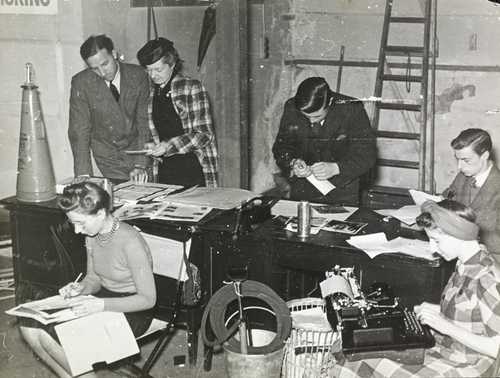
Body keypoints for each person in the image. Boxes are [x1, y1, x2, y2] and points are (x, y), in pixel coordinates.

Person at [330, 199, 500, 377]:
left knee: (357, 365)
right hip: (448, 348)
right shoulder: (465, 263)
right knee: (354, 355)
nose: (433, 249)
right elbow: (471, 313)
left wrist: (445, 325)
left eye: (436, 240)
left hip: (468, 364)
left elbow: (496, 347)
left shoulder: (487, 278)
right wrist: (436, 310)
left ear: (457, 235)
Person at [19, 182, 156, 378]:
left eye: (81, 223)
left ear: (100, 213)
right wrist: (81, 287)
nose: (77, 231)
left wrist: (100, 305)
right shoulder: (93, 234)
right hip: (102, 298)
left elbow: (148, 299)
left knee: (58, 335)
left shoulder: (131, 242)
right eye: (73, 223)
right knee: (28, 326)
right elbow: (94, 278)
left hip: (133, 310)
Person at [272, 77, 376, 205]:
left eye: (317, 116)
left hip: (342, 191)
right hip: (303, 190)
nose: (311, 121)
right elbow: (281, 147)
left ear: (330, 102)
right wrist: (293, 162)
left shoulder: (352, 109)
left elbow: (367, 154)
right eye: (306, 116)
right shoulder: (291, 107)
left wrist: (336, 168)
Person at [136, 37, 218, 187]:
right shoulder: (153, 94)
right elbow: (157, 133)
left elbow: (204, 135)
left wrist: (168, 146)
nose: (153, 75)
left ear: (172, 64)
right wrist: (152, 145)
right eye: (149, 70)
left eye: (158, 69)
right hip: (164, 171)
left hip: (191, 170)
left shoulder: (191, 87)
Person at [69, 34, 150, 182]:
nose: (102, 72)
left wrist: (141, 164)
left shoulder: (138, 75)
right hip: (108, 156)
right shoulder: (81, 83)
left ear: (114, 54)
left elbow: (144, 122)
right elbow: (79, 130)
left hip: (138, 149)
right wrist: (83, 174)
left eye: (105, 64)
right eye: (94, 69)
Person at [442, 128, 500, 263]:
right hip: (462, 254)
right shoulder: (463, 176)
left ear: (485, 156)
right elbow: (449, 198)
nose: (459, 166)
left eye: (466, 160)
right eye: (457, 159)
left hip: (492, 261)